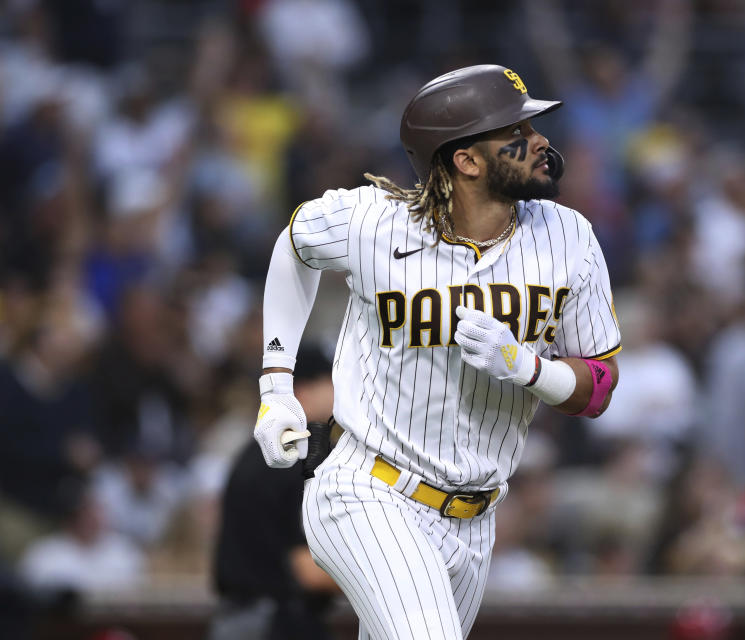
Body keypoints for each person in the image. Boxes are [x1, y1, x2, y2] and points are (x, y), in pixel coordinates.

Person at [253, 64, 621, 640]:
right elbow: (294, 243)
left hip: (475, 520)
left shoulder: (568, 236)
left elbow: (600, 386)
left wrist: (526, 367)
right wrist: (275, 387)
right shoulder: (375, 221)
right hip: (369, 488)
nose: (541, 142)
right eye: (516, 135)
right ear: (466, 161)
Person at [210, 346, 339, 640]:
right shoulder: (289, 455)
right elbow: (308, 569)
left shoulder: (264, 449)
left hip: (245, 619)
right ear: (303, 390)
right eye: (330, 382)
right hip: (271, 623)